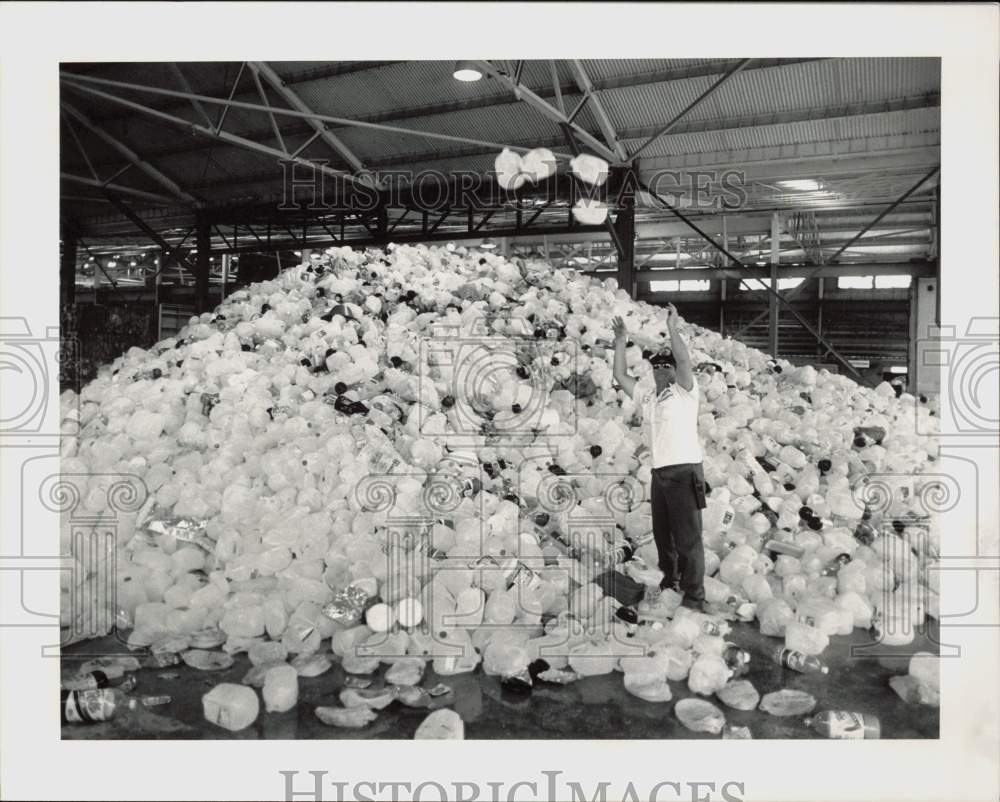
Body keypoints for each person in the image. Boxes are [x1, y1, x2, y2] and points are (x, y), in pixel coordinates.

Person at [611, 303, 707, 611]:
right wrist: (621, 340)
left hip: (684, 472)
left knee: (688, 539)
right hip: (659, 475)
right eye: (656, 366)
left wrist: (673, 329)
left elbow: (684, 359)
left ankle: (694, 596)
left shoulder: (685, 392)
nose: (661, 368)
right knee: (663, 536)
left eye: (666, 365)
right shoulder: (649, 396)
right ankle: (670, 581)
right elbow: (619, 374)